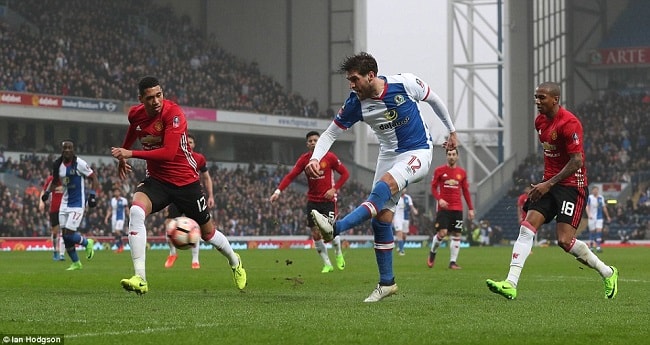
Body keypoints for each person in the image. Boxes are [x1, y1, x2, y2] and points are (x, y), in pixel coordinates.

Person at [307, 52, 457, 302]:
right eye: (349, 80)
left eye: (354, 79)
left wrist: (451, 131)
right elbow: (330, 133)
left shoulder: (405, 83)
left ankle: (336, 228)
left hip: (418, 151)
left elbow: (434, 100)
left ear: (371, 75)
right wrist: (315, 157)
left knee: (384, 187)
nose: (351, 85)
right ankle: (387, 283)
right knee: (382, 219)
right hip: (387, 155)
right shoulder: (355, 103)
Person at [111, 76, 245, 294]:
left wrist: (130, 153)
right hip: (157, 181)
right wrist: (122, 156)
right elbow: (133, 130)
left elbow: (168, 153)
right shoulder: (135, 114)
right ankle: (140, 278)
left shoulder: (174, 114)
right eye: (150, 98)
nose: (156, 101)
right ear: (140, 99)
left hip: (186, 182)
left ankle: (234, 261)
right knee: (135, 211)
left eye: (159, 95)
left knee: (208, 234)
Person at [486, 82, 618, 300]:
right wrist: (546, 182)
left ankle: (608, 272)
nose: (537, 102)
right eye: (536, 97)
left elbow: (577, 161)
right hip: (549, 184)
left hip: (572, 187)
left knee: (565, 241)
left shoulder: (570, 123)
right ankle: (510, 283)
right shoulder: (539, 122)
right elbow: (552, 156)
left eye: (542, 98)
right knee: (526, 228)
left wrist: (549, 183)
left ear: (555, 99)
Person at [269, 131, 350, 273]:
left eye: (315, 140)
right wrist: (278, 192)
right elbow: (290, 176)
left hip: (328, 200)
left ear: (320, 142)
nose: (313, 142)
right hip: (312, 201)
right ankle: (327, 264)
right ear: (307, 144)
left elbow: (345, 174)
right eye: (310, 141)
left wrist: (334, 189)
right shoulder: (304, 160)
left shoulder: (329, 157)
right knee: (315, 233)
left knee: (330, 231)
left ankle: (338, 254)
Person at [42, 140, 99, 271]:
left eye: (70, 148)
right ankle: (76, 263)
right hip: (64, 203)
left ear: (73, 150)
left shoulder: (80, 163)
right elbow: (55, 182)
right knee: (65, 235)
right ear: (62, 150)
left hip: (77, 204)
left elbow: (94, 178)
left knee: (69, 234)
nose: (67, 150)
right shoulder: (58, 165)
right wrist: (47, 192)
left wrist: (92, 195)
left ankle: (87, 242)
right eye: (65, 148)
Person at [164, 134, 214, 269]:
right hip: (176, 195)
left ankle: (195, 260)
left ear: (194, 144)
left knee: (195, 228)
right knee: (169, 224)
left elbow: (207, 178)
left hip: (193, 197)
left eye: (191, 142)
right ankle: (172, 254)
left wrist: (210, 196)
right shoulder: (175, 156)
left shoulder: (199, 158)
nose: (189, 144)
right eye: (187, 142)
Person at [427, 148, 475, 269]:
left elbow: (465, 191)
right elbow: (433, 188)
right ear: (446, 156)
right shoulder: (439, 171)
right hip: (444, 209)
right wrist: (439, 199)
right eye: (449, 154)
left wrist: (470, 208)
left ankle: (452, 262)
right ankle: (432, 253)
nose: (451, 156)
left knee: (457, 234)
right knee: (442, 233)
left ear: (457, 156)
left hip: (457, 208)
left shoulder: (462, 173)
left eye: (453, 154)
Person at [39, 172, 65, 261]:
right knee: (55, 232)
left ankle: (62, 254)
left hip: (65, 208)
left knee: (64, 231)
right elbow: (44, 190)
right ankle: (55, 251)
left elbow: (73, 188)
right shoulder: (51, 178)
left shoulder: (67, 178)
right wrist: (41, 202)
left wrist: (64, 188)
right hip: (54, 208)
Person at [392, 188, 418, 256]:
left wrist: (414, 210)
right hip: (397, 218)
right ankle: (401, 250)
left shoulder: (408, 197)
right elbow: (392, 208)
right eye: (403, 188)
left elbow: (411, 206)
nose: (404, 190)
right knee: (399, 233)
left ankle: (400, 246)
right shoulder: (396, 197)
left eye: (405, 188)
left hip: (406, 218)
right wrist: (392, 218)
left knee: (404, 236)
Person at [585, 186, 611, 252]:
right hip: (591, 217)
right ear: (592, 191)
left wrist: (607, 216)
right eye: (594, 190)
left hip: (599, 217)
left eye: (596, 190)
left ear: (598, 191)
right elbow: (587, 206)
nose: (595, 191)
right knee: (592, 232)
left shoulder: (601, 198)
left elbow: (604, 207)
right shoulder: (590, 197)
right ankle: (591, 247)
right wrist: (589, 215)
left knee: (599, 231)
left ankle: (598, 247)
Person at [104, 187, 129, 253]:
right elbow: (110, 210)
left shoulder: (124, 200)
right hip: (114, 218)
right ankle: (119, 248)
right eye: (115, 192)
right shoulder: (112, 200)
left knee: (117, 231)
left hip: (121, 218)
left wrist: (130, 217)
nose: (116, 193)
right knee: (115, 233)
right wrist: (106, 218)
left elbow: (127, 210)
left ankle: (121, 246)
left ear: (119, 192)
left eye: (117, 191)